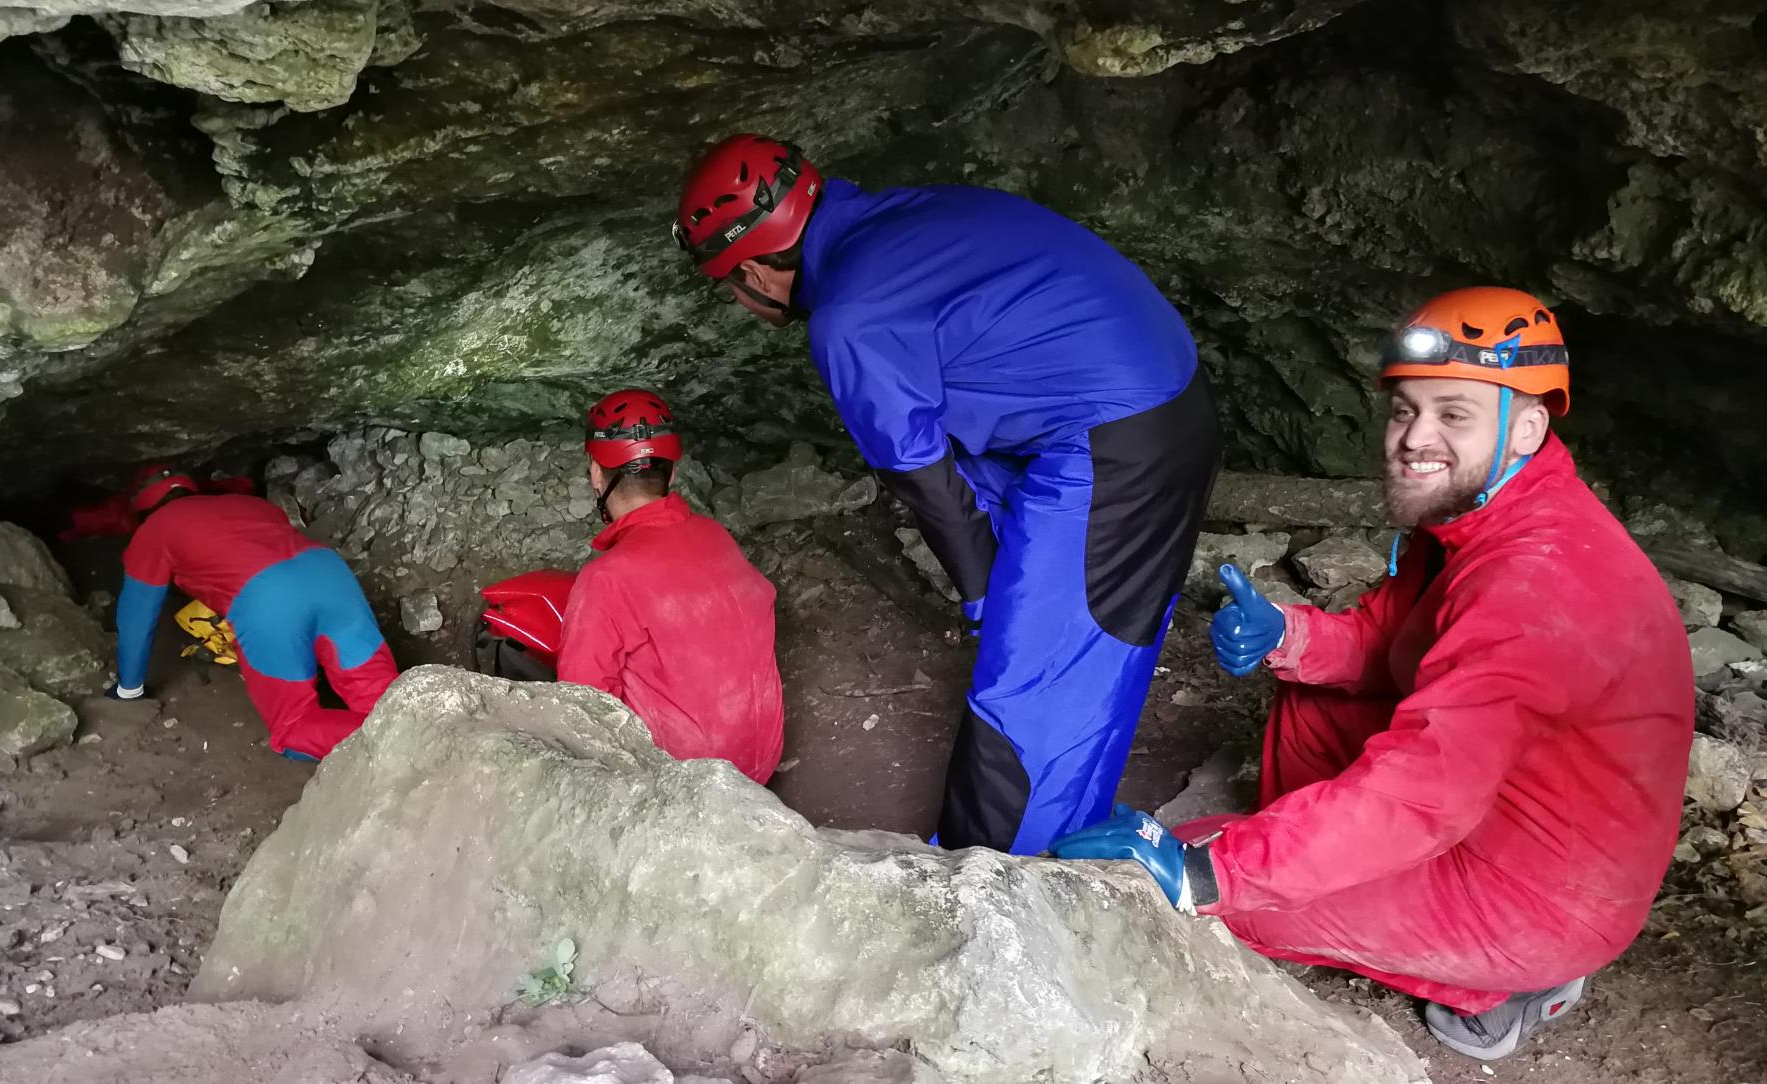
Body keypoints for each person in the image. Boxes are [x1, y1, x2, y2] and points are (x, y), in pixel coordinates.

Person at [1049, 287, 1694, 1061]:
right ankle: (1334, 872)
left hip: (1543, 896)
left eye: (1453, 413)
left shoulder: (1535, 582)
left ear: (1527, 427)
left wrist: (1206, 872)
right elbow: (1392, 641)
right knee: (1313, 700)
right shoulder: (1475, 512)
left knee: (1192, 879)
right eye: (1404, 410)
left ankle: (1511, 984)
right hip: (1518, 805)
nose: (1415, 437)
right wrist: (1288, 634)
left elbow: (1420, 794)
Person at [671, 133, 1220, 855]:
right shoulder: (911, 215)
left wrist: (986, 597)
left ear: (753, 271)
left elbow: (922, 477)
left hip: (1116, 441)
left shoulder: (850, 321)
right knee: (1094, 649)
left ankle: (999, 880)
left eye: (730, 286)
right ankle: (1074, 830)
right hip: (1159, 398)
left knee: (1037, 680)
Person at [555, 389, 786, 784]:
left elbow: (582, 704)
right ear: (673, 472)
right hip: (760, 761)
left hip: (688, 783)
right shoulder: (714, 534)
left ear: (596, 473)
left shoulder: (605, 579)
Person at [108, 464, 400, 762]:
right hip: (329, 571)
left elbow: (136, 617)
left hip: (268, 596)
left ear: (140, 506)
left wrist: (128, 689)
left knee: (293, 728)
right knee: (387, 699)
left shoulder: (156, 528)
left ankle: (403, 748)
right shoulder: (249, 503)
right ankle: (419, 727)